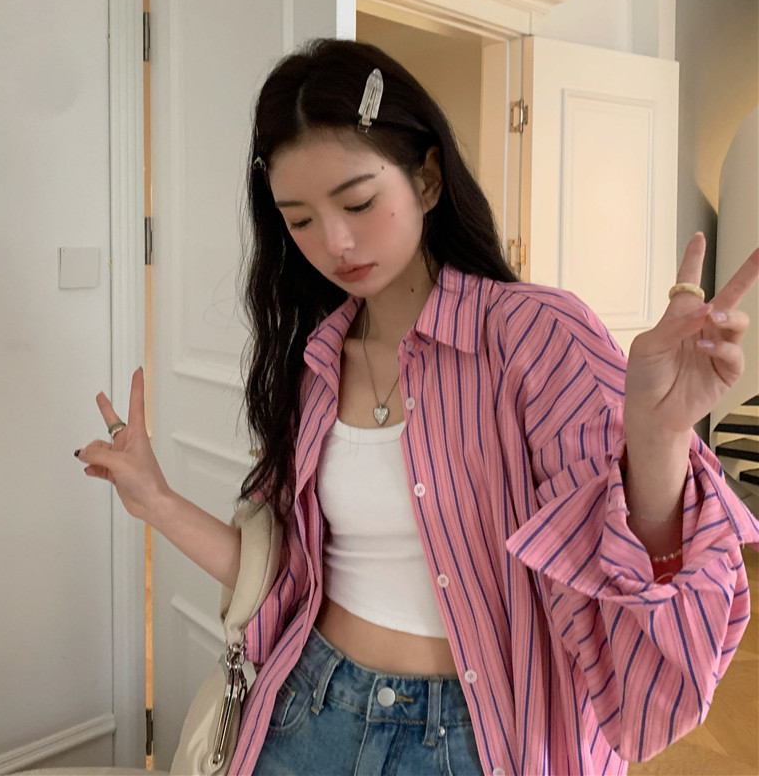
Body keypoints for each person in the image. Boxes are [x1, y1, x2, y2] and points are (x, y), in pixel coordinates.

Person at [76, 39, 759, 775]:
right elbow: (283, 579)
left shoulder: (534, 335)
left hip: (476, 739)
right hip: (308, 712)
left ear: (427, 179)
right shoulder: (314, 366)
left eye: (358, 202)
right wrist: (157, 501)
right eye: (299, 219)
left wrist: (658, 439)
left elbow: (638, 622)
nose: (335, 241)